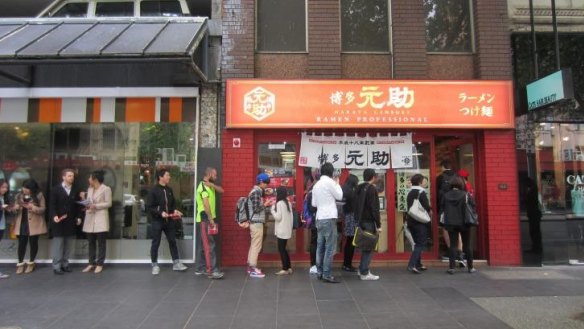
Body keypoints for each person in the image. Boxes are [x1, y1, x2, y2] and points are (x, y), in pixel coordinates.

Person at [147, 168, 187, 275]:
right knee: (156, 243)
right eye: (167, 175)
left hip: (169, 221)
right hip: (157, 221)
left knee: (172, 241)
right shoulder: (154, 190)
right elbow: (150, 207)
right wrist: (160, 213)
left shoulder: (169, 190)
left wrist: (175, 210)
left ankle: (176, 263)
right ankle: (154, 265)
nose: (169, 177)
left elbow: (172, 204)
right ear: (161, 177)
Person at [311, 162, 343, 283]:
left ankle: (319, 272)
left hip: (319, 217)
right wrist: (337, 183)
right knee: (330, 247)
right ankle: (327, 274)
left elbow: (314, 204)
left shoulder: (316, 184)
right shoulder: (330, 182)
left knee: (320, 246)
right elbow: (340, 195)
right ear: (331, 172)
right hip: (329, 217)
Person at [440, 176, 476, 274]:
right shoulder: (466, 195)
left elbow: (442, 209)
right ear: (461, 184)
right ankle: (470, 267)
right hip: (465, 223)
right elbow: (473, 207)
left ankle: (452, 268)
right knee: (467, 245)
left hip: (450, 223)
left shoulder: (446, 196)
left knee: (453, 245)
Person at [49, 169, 82, 275]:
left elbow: (78, 205)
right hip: (59, 220)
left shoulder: (75, 190)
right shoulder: (55, 189)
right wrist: (54, 216)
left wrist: (78, 217)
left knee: (68, 244)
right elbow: (52, 205)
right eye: (69, 176)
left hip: (70, 221)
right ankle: (56, 266)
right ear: (63, 177)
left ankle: (65, 264)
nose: (71, 178)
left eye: (72, 176)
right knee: (58, 244)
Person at [194, 167, 225, 279]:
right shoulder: (202, 187)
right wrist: (211, 219)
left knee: (203, 245)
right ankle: (211, 270)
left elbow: (222, 190)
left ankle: (199, 268)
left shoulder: (209, 186)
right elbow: (206, 204)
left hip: (206, 219)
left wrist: (212, 185)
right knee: (209, 246)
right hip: (205, 220)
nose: (216, 177)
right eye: (215, 175)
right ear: (210, 174)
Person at [13, 179, 47, 274]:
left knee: (33, 243)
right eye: (24, 187)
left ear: (32, 188)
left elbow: (43, 209)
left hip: (34, 223)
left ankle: (31, 262)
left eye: (27, 188)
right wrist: (16, 208)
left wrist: (33, 207)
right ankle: (20, 263)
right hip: (22, 223)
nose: (25, 190)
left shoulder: (39, 195)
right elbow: (14, 209)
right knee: (21, 244)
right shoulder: (19, 196)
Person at [81, 170, 112, 274]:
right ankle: (91, 263)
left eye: (90, 178)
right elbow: (89, 202)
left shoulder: (106, 189)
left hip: (100, 218)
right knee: (91, 242)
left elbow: (108, 203)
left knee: (101, 242)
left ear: (95, 179)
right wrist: (84, 201)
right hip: (90, 217)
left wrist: (96, 206)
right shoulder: (89, 189)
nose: (89, 180)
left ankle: (100, 264)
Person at [355, 168, 382, 281]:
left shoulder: (359, 188)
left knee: (365, 246)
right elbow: (374, 208)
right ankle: (364, 272)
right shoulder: (371, 189)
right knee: (369, 247)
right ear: (373, 177)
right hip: (369, 221)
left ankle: (361, 268)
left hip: (361, 221)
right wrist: (378, 224)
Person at [245, 173, 273, 278]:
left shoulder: (256, 191)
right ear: (261, 182)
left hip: (255, 222)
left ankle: (250, 266)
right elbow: (256, 209)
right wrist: (266, 204)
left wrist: (267, 193)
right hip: (256, 222)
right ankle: (252, 268)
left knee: (254, 244)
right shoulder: (256, 192)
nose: (267, 185)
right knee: (256, 245)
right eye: (266, 183)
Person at [437, 160, 464, 266]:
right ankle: (460, 253)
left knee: (445, 229)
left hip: (445, 208)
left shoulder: (440, 178)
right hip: (459, 209)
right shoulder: (458, 177)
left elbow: (436, 194)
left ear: (443, 167)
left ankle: (450, 251)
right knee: (459, 231)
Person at [406, 174, 431, 274]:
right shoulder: (421, 192)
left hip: (411, 220)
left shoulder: (410, 192)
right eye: (424, 181)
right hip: (420, 221)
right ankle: (412, 265)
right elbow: (427, 207)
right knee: (420, 244)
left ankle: (418, 264)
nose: (425, 182)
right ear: (420, 182)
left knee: (417, 243)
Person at [270, 186, 293, 275]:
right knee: (284, 249)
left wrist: (272, 209)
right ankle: (289, 267)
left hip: (281, 230)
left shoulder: (279, 203)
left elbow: (278, 218)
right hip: (287, 229)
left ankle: (285, 269)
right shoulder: (288, 203)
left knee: (281, 249)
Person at [341, 174, 359, 272]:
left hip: (348, 216)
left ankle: (346, 263)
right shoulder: (350, 192)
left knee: (349, 241)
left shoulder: (344, 189)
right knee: (352, 241)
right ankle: (347, 264)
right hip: (352, 217)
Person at [525, 177, 542, 253]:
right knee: (535, 231)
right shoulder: (533, 190)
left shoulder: (533, 190)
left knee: (534, 231)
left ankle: (536, 247)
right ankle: (536, 247)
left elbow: (530, 202)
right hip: (533, 213)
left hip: (534, 214)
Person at [0, 179, 11, 279]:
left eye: (6, 188)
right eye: (3, 187)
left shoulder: (4, 197)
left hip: (2, 225)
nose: (5, 189)